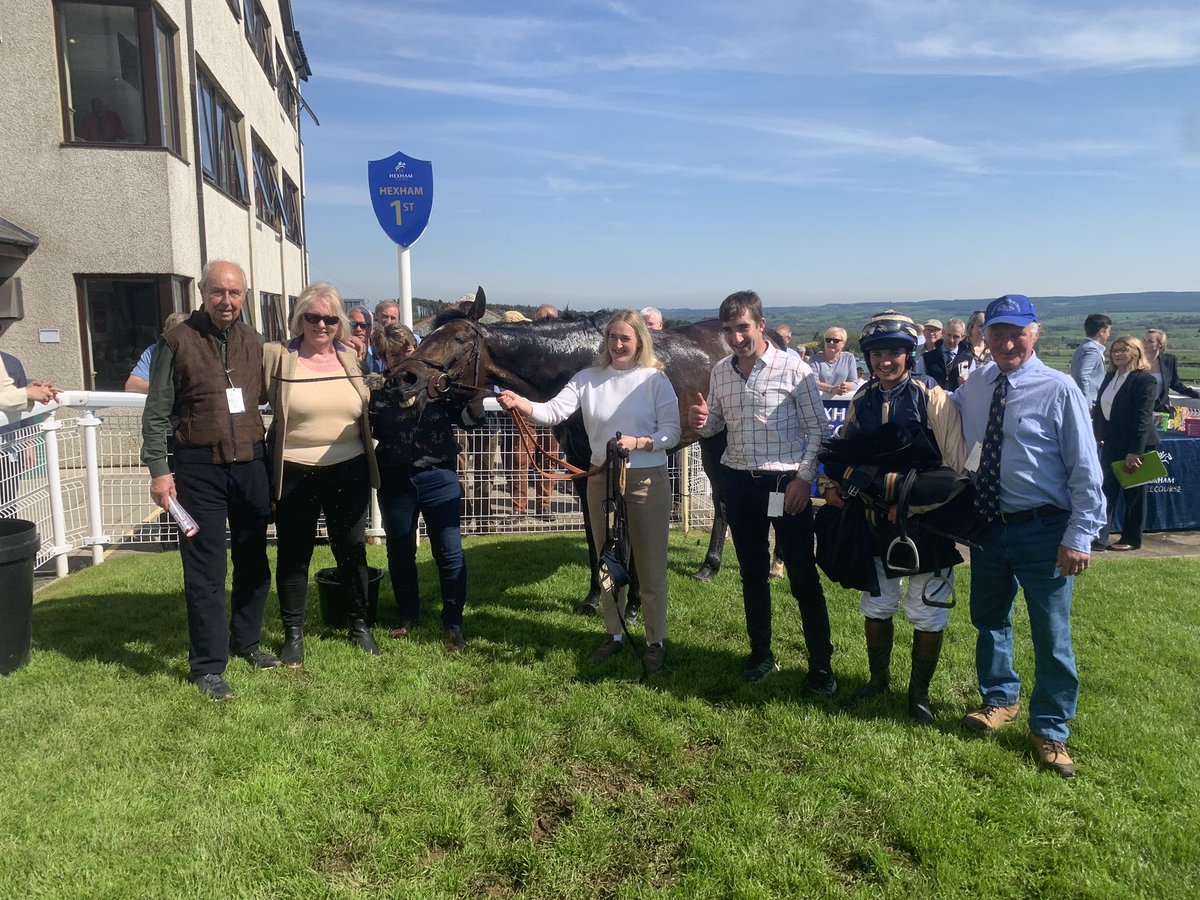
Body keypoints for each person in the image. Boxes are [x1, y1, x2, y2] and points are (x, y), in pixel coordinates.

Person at [952, 294, 1104, 778]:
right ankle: (1000, 699)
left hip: (1045, 530)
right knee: (989, 619)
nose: (1007, 342)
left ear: (1034, 334)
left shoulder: (1059, 389)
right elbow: (941, 423)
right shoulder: (976, 385)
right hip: (990, 528)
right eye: (997, 333)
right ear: (985, 337)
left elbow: (1085, 468)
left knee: (1051, 632)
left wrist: (1080, 535)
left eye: (1017, 332)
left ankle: (1051, 729)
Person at [499, 311, 680, 673]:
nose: (617, 344)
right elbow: (553, 411)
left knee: (649, 564)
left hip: (646, 481)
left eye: (625, 338)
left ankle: (654, 641)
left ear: (640, 340)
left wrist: (641, 442)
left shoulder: (655, 380)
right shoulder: (588, 379)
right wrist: (521, 403)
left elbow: (671, 433)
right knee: (607, 560)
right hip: (602, 478)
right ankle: (613, 635)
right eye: (613, 337)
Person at [821, 311, 967, 723]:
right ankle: (877, 680)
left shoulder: (931, 397)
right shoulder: (862, 400)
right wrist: (833, 484)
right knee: (877, 603)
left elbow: (954, 468)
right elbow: (844, 451)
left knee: (927, 608)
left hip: (925, 521)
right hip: (873, 520)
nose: (886, 361)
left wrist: (905, 501)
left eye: (895, 353)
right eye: (878, 353)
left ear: (909, 354)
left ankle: (919, 694)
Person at [141, 260, 276, 701]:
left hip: (251, 462)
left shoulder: (253, 340)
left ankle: (248, 642)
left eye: (235, 293)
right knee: (206, 569)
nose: (227, 301)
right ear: (202, 292)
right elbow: (156, 410)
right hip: (199, 466)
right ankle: (208, 665)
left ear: (244, 296)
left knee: (255, 561)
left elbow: (272, 393)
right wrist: (160, 469)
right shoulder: (176, 341)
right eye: (218, 292)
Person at [688, 291, 835, 690]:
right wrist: (703, 420)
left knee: (802, 576)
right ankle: (762, 654)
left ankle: (821, 665)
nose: (736, 338)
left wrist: (804, 479)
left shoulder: (794, 369)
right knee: (752, 574)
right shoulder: (720, 371)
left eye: (742, 328)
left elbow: (819, 430)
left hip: (785, 483)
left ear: (761, 325)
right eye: (728, 330)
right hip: (739, 483)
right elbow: (715, 426)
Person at [262, 284, 380, 664]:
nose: (322, 325)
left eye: (330, 319)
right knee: (294, 554)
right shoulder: (278, 358)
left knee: (351, 549)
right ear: (300, 319)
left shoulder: (354, 358)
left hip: (350, 467)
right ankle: (293, 634)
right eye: (313, 317)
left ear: (339, 322)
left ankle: (360, 625)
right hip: (295, 470)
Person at [371, 324, 483, 652]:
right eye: (393, 354)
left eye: (407, 351)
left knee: (449, 553)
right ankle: (407, 616)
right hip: (395, 480)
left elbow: (471, 420)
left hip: (438, 477)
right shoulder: (377, 392)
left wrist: (472, 394)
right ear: (383, 358)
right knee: (400, 552)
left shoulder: (438, 386)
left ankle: (453, 623)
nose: (402, 358)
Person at [1092, 336, 1157, 553]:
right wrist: (1097, 435)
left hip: (1135, 447)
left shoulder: (1144, 380)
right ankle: (1099, 538)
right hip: (1111, 443)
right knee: (1106, 492)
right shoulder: (1110, 376)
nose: (1117, 353)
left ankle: (1132, 538)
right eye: (1114, 350)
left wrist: (1134, 451)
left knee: (1134, 495)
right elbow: (1102, 409)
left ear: (1136, 352)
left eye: (1123, 349)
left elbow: (1143, 418)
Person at [125, 312, 190, 393]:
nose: (174, 341)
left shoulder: (198, 352)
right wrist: (165, 389)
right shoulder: (153, 352)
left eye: (179, 336)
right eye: (170, 335)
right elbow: (132, 385)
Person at [1143, 329, 1200, 413]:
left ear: (1160, 344)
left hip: (1160, 409)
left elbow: (1175, 384)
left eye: (1150, 341)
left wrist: (1196, 394)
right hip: (1139, 408)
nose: (1145, 344)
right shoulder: (1136, 361)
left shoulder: (1169, 360)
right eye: (1144, 340)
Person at [915, 317, 971, 392]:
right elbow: (919, 385)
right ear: (943, 333)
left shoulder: (968, 359)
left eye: (956, 337)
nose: (951, 340)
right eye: (949, 335)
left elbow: (971, 387)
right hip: (932, 401)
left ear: (962, 337)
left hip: (958, 402)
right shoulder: (926, 358)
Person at [1068, 314, 1112, 410]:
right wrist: (1086, 401)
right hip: (1091, 401)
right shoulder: (1091, 350)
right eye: (1108, 331)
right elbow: (1082, 376)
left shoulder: (1083, 347)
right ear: (1101, 332)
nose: (1109, 334)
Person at [813, 326, 858, 401]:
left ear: (843, 343)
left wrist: (845, 386)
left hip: (841, 405)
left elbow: (854, 384)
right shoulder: (814, 359)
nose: (831, 342)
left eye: (835, 340)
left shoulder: (849, 358)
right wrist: (831, 389)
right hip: (819, 402)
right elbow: (813, 382)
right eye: (828, 340)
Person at [347, 306, 386, 374]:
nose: (358, 329)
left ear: (372, 329)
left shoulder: (381, 353)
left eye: (363, 325)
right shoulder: (339, 350)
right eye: (353, 324)